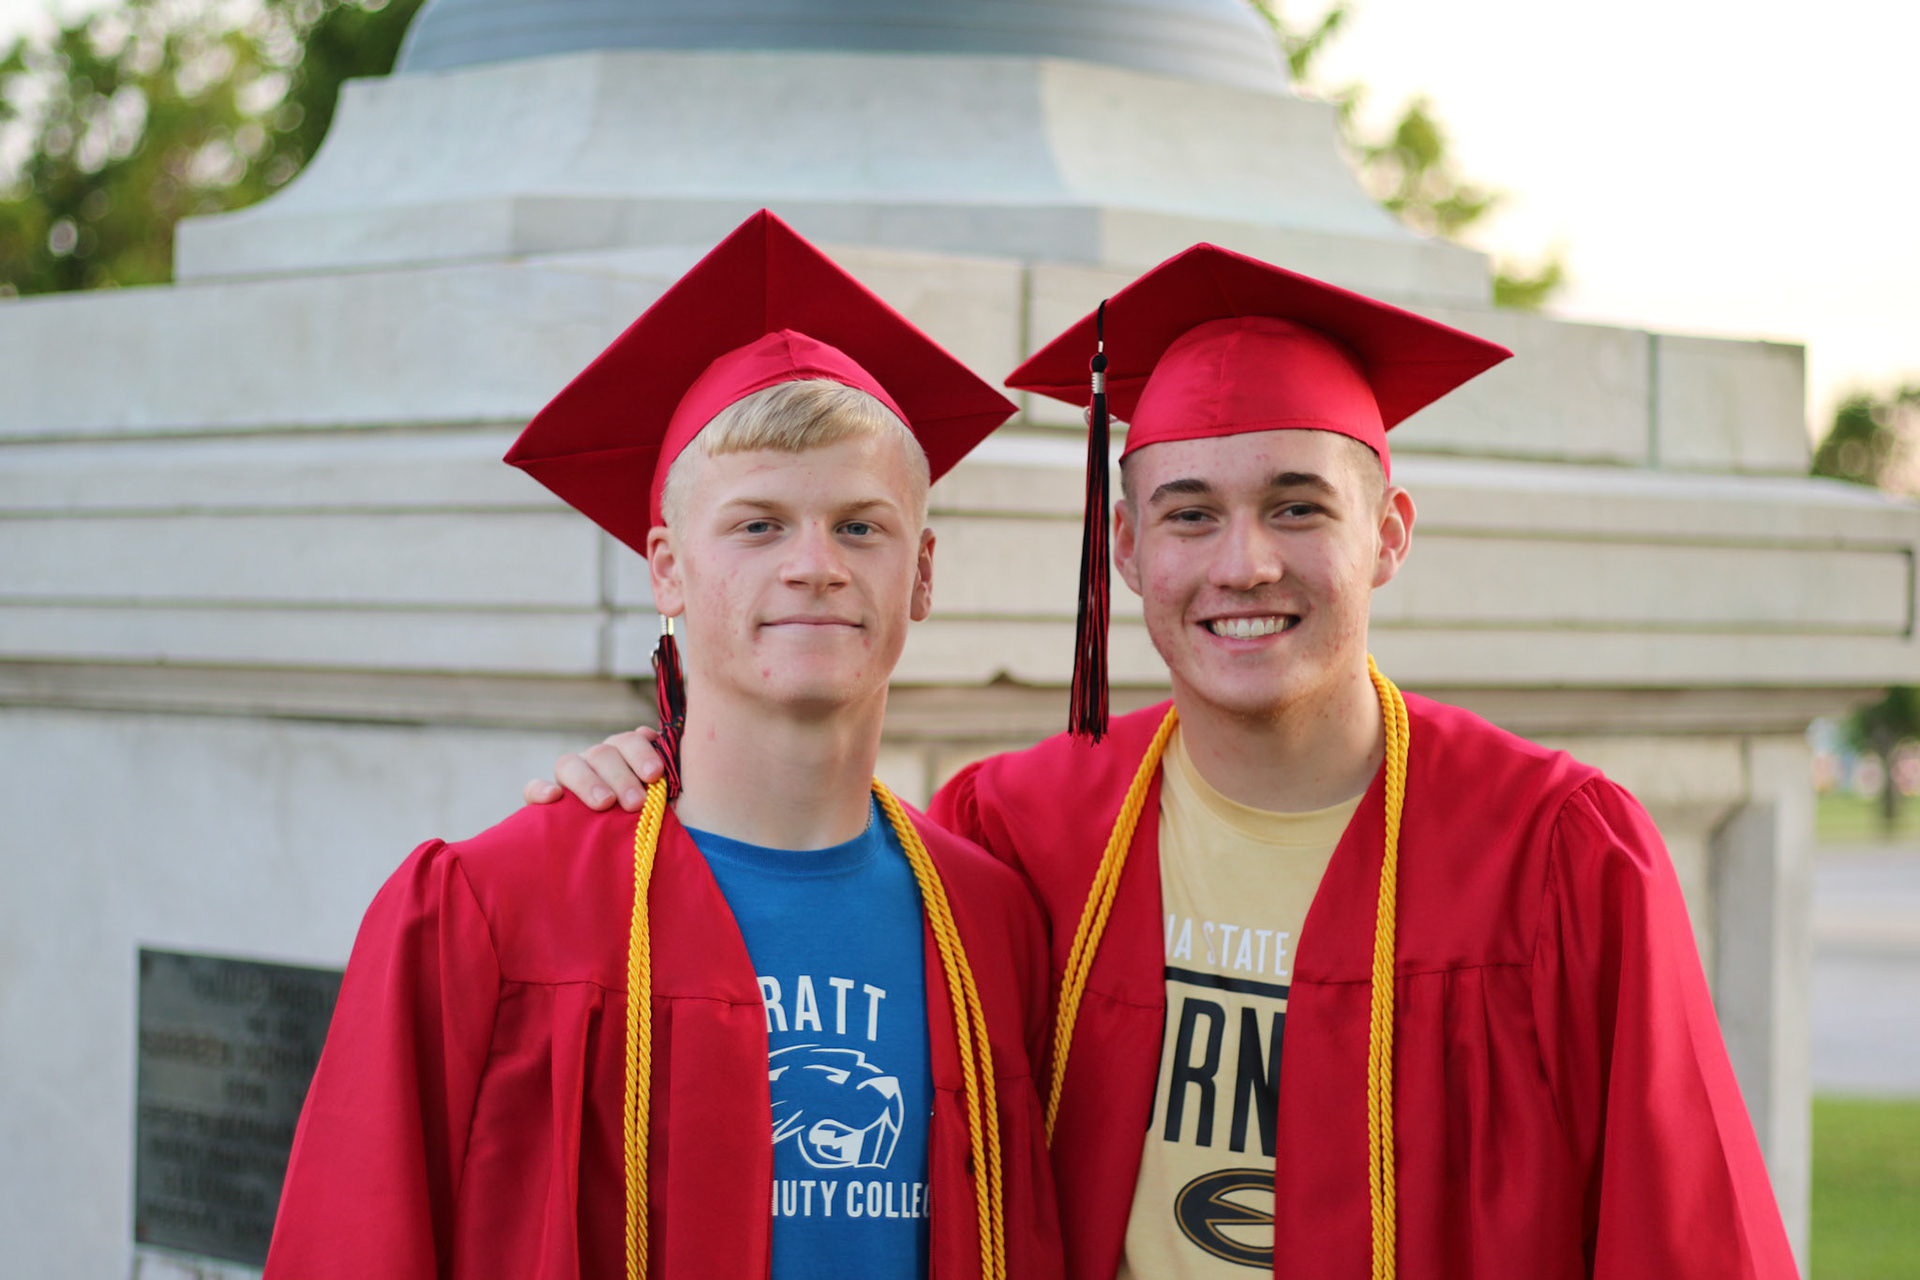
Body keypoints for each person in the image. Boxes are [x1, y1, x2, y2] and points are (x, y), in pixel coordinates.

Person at [523, 243, 1800, 1279]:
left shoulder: (1556, 849)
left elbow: (1684, 1232)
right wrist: (653, 790)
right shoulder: (1022, 831)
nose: (1243, 562)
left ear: (1390, 534)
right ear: (1127, 549)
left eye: (1297, 505)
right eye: (1190, 512)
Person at [266, 210, 1063, 1280]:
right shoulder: (495, 912)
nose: (815, 564)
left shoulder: (991, 922)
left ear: (922, 571)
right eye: (758, 524)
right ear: (666, 567)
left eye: (861, 526)